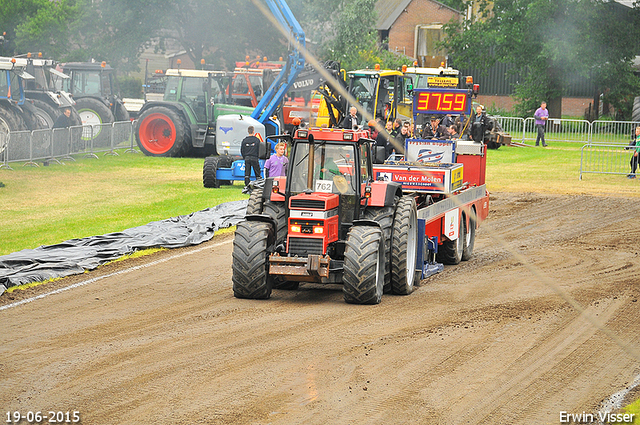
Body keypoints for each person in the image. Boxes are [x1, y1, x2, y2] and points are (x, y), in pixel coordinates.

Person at [241, 125, 262, 191]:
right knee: (257, 172)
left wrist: (245, 157)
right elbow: (259, 149)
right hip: (254, 158)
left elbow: (242, 150)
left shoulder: (244, 140)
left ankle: (247, 185)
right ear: (253, 131)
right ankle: (259, 185)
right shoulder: (257, 140)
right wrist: (258, 156)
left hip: (247, 158)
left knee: (247, 173)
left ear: (248, 131)